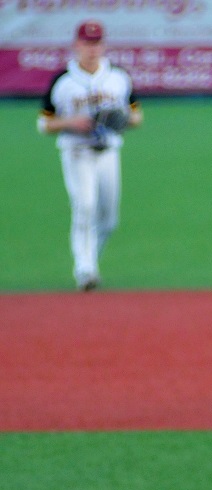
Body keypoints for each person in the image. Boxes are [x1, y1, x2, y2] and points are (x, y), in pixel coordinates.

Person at [38, 20, 142, 292]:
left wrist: (123, 120)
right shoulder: (63, 81)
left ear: (104, 45)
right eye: (87, 42)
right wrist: (71, 123)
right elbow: (43, 123)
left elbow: (137, 114)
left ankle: (90, 260)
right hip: (76, 150)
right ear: (77, 45)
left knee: (108, 219)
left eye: (97, 42)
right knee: (84, 207)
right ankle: (85, 269)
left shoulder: (118, 77)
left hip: (108, 152)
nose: (92, 48)